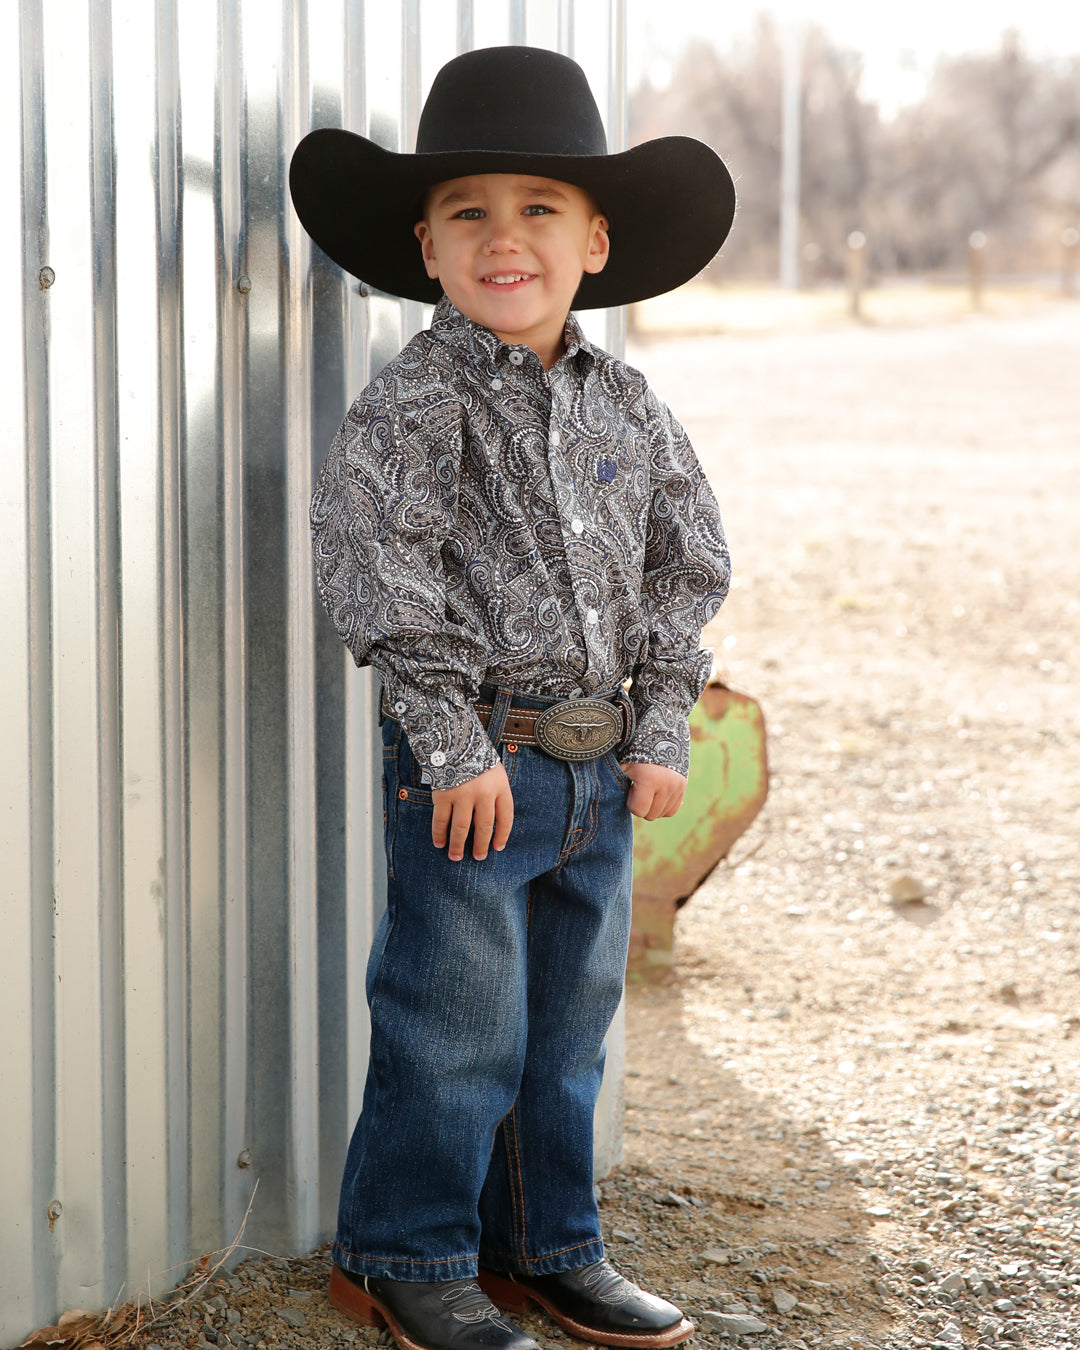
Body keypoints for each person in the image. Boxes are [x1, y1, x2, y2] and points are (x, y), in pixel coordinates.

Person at [289, 44, 735, 1350]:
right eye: (469, 210)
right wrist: (448, 742)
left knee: (568, 1028)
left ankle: (548, 1246)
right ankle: (404, 1251)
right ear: (424, 245)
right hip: (475, 769)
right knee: (456, 1021)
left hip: (597, 775)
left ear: (596, 240)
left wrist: (657, 725)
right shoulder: (415, 404)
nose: (505, 237)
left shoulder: (631, 409)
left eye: (539, 208)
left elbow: (685, 565)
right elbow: (377, 576)